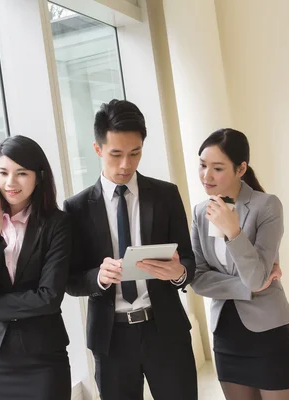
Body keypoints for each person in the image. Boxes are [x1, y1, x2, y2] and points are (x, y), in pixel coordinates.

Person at [64, 99, 198, 400]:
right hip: (111, 338)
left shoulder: (165, 195)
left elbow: (189, 259)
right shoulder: (76, 208)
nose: (126, 164)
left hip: (165, 331)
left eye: (135, 153)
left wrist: (179, 273)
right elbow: (71, 280)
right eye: (116, 154)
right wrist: (99, 276)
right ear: (98, 149)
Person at [191, 128, 289, 400]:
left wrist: (233, 232)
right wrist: (249, 287)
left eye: (217, 168)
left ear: (241, 169)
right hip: (226, 337)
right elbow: (199, 278)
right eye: (203, 165)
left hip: (269, 335)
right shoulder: (200, 212)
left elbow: (255, 276)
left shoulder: (267, 206)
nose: (207, 176)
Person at [0, 135, 72, 400]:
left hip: (44, 357)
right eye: (3, 173)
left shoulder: (57, 224)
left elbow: (48, 298)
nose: (10, 183)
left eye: (21, 173)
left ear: (39, 176)